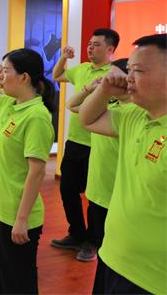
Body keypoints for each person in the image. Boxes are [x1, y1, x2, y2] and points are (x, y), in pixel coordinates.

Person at [79, 34, 166, 295]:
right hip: (112, 258)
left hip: (151, 279)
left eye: (138, 71)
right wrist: (104, 90)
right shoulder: (134, 116)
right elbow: (88, 119)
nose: (128, 78)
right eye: (128, 70)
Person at [0, 49, 55, 294]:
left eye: (6, 71)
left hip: (16, 215)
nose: (1, 76)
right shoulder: (7, 104)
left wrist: (22, 220)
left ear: (24, 77)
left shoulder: (37, 117)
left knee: (18, 283)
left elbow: (36, 172)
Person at [51, 28, 120, 261]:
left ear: (110, 49)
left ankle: (92, 241)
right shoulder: (82, 69)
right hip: (75, 142)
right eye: (90, 44)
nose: (90, 48)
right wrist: (63, 57)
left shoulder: (114, 75)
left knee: (94, 196)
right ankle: (76, 234)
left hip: (99, 145)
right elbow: (58, 75)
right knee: (67, 189)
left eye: (96, 44)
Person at [65, 59, 129, 262]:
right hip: (98, 184)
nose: (107, 81)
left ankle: (91, 245)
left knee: (113, 251)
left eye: (113, 77)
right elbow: (73, 105)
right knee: (104, 249)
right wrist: (93, 89)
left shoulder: (129, 114)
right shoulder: (105, 106)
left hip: (116, 189)